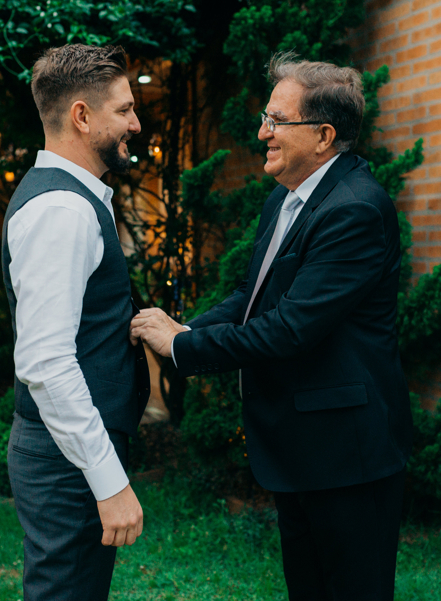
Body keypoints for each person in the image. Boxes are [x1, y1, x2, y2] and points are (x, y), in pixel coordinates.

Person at [130, 54, 413, 601]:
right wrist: (185, 328)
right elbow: (250, 297)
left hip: (346, 455)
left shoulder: (354, 210)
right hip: (301, 448)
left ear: (325, 135)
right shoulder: (284, 199)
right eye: (267, 116)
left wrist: (185, 347)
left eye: (278, 120)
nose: (263, 131)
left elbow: (288, 329)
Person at [2, 44, 150, 601]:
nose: (136, 123)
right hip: (66, 461)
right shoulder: (62, 211)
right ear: (82, 116)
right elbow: (45, 362)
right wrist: (108, 481)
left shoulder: (76, 201)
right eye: (124, 109)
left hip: (66, 450)